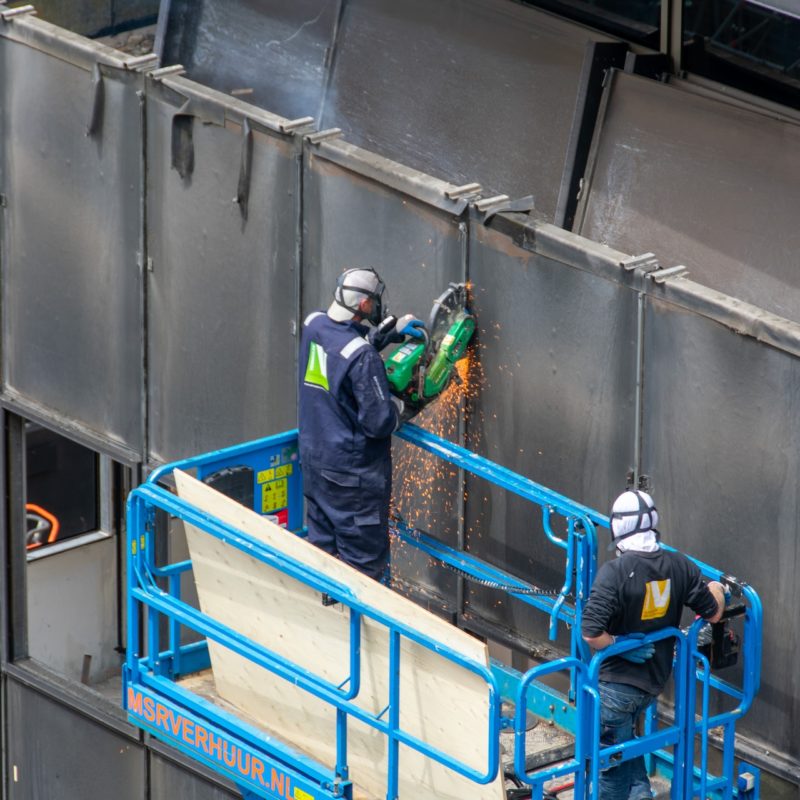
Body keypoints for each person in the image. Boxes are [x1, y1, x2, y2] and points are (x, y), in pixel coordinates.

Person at [581, 489, 725, 800]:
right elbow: (713, 612)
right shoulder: (680, 566)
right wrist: (718, 589)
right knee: (629, 748)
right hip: (651, 685)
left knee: (610, 767)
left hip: (614, 690)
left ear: (618, 527)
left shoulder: (615, 572)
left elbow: (591, 632)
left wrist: (618, 643)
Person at [298, 267, 423, 581]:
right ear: (364, 304)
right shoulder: (364, 357)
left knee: (324, 557)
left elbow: (339, 352)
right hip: (352, 481)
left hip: (316, 465)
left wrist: (382, 336)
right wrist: (404, 406)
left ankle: (325, 620)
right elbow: (379, 422)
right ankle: (359, 629)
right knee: (363, 571)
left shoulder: (313, 324)